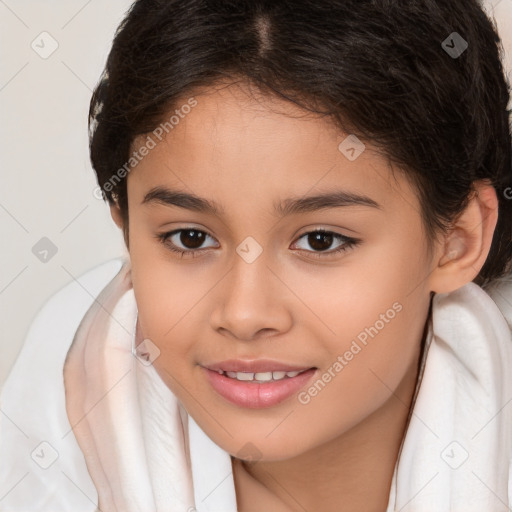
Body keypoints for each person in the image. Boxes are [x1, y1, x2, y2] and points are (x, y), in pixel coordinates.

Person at [1, 1, 511, 510]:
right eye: (190, 238)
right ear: (126, 225)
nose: (244, 315)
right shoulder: (50, 436)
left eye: (321, 240)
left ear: (457, 240)